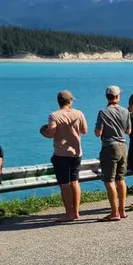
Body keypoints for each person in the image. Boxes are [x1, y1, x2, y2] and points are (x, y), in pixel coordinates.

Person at [39, 90, 88, 222]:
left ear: (58, 101)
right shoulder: (79, 113)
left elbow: (50, 134)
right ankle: (76, 211)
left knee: (65, 184)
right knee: (75, 182)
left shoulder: (54, 116)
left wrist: (42, 130)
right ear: (70, 100)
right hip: (77, 153)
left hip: (61, 154)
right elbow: (84, 130)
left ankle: (69, 213)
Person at [95, 86, 131, 222]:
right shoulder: (125, 111)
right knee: (120, 179)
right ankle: (122, 210)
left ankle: (114, 212)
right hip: (123, 147)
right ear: (117, 96)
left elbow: (98, 132)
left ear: (107, 97)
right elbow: (128, 131)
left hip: (109, 147)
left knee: (109, 180)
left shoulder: (103, 113)